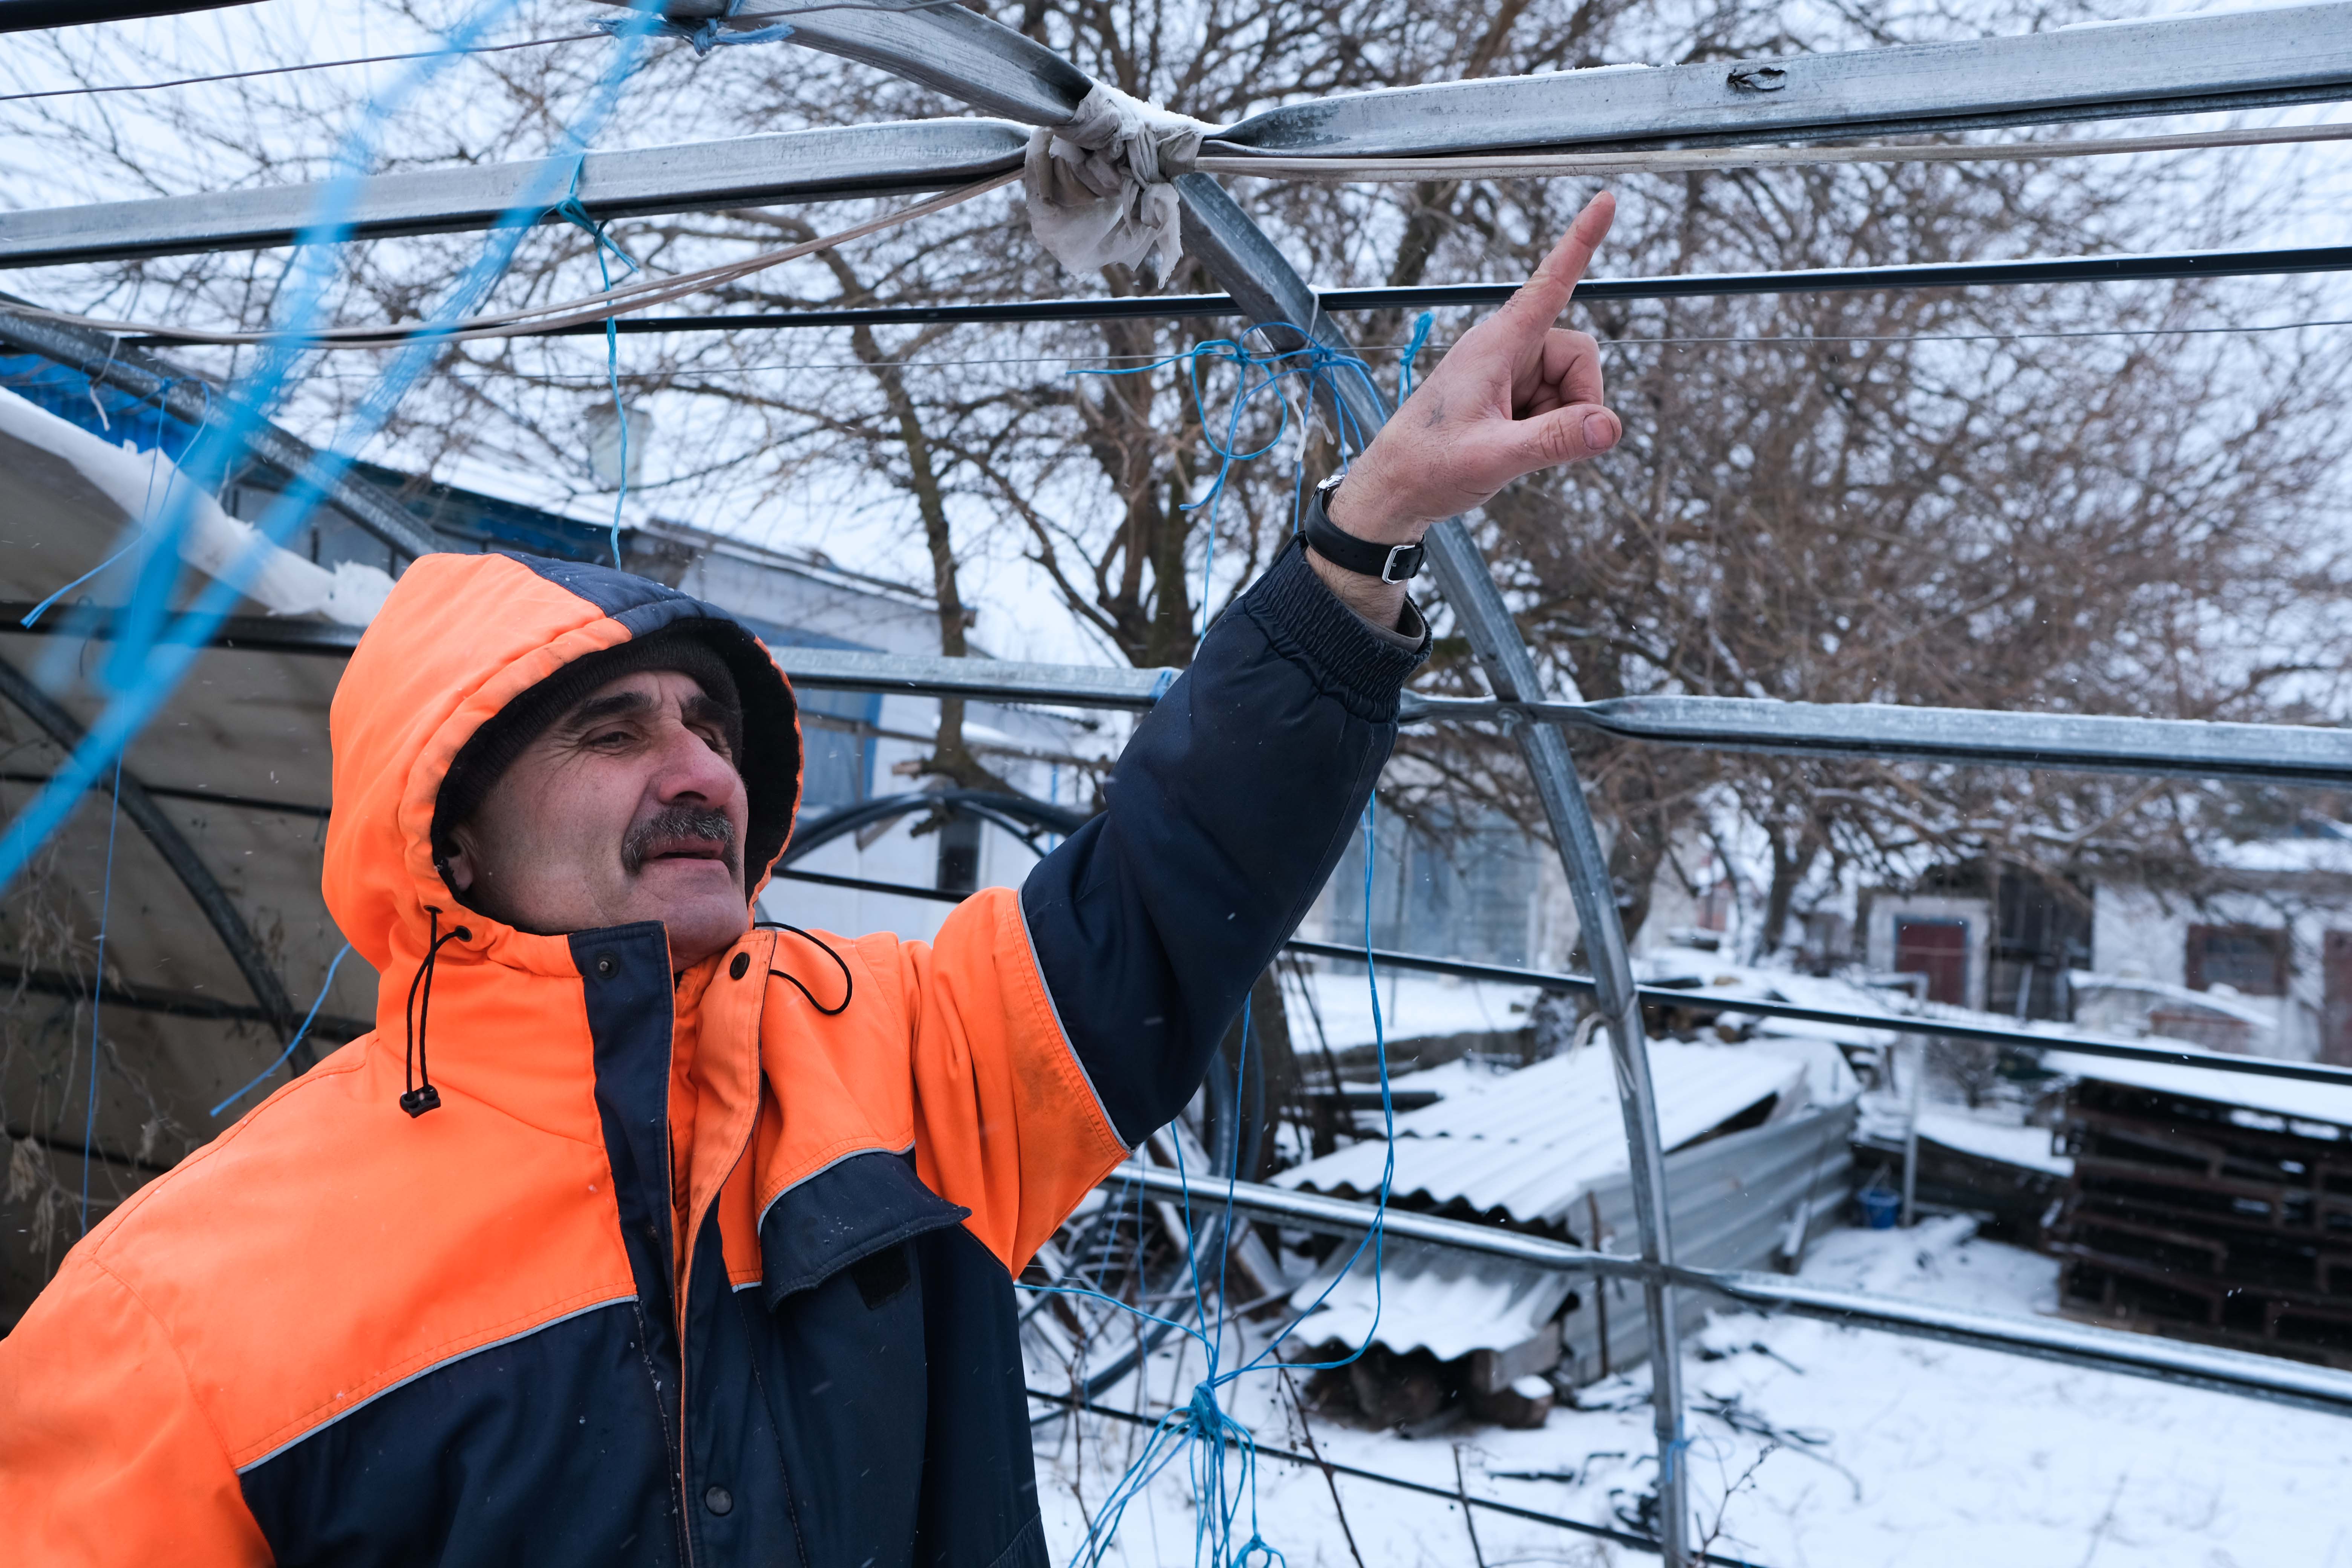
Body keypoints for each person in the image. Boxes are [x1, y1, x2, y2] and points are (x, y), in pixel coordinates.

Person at [0, 193, 1623, 1566]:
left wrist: (1369, 528)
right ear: (455, 825)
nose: (699, 765)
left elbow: (1173, 869)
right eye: (613, 728)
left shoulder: (902, 1057)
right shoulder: (177, 1312)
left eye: (709, 724)